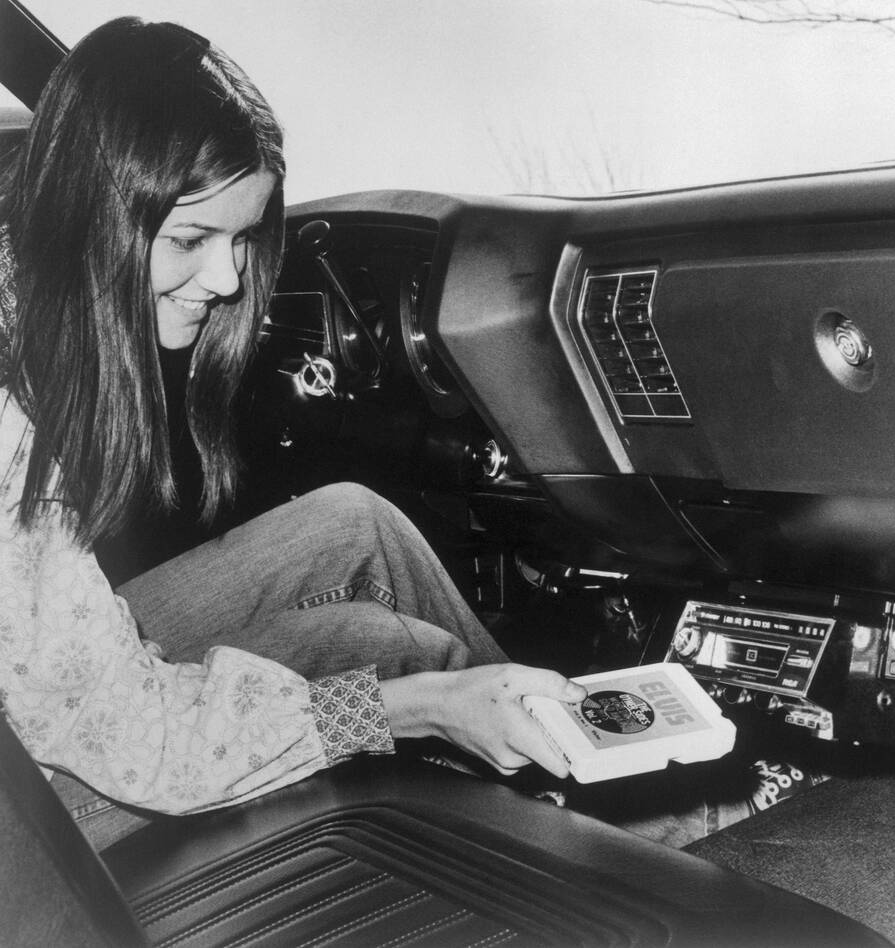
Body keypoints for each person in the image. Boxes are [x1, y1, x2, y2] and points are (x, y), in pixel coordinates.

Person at [0, 16, 584, 852]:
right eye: (190, 239)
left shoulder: (25, 284)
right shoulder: (10, 421)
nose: (227, 279)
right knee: (382, 650)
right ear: (92, 215)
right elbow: (142, 746)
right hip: (25, 829)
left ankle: (575, 773)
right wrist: (413, 711)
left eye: (241, 237)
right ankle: (584, 833)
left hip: (41, 701)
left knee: (353, 520)